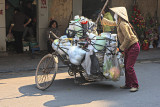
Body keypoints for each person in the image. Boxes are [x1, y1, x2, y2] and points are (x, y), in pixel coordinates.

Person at [101, 7, 140, 92]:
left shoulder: (123, 24)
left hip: (133, 46)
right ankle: (128, 84)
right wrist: (103, 19)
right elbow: (111, 23)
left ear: (119, 16)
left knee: (129, 67)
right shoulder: (119, 23)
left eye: (116, 14)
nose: (114, 15)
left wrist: (121, 48)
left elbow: (128, 38)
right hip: (129, 47)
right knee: (126, 66)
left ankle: (135, 85)